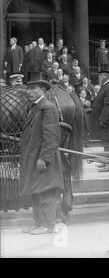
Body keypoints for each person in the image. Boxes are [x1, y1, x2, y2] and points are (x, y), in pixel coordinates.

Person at [19, 72, 63, 235]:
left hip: (44, 159)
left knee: (46, 192)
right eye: (28, 89)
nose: (29, 91)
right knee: (36, 190)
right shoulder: (36, 107)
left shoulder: (48, 108)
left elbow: (51, 137)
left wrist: (44, 159)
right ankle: (39, 223)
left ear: (42, 90)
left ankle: (49, 225)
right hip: (35, 157)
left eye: (33, 88)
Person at [90, 67, 109, 152]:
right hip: (106, 118)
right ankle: (107, 162)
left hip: (108, 118)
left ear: (106, 76)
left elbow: (108, 105)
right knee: (106, 141)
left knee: (108, 141)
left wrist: (103, 120)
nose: (99, 77)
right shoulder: (106, 86)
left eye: (101, 75)